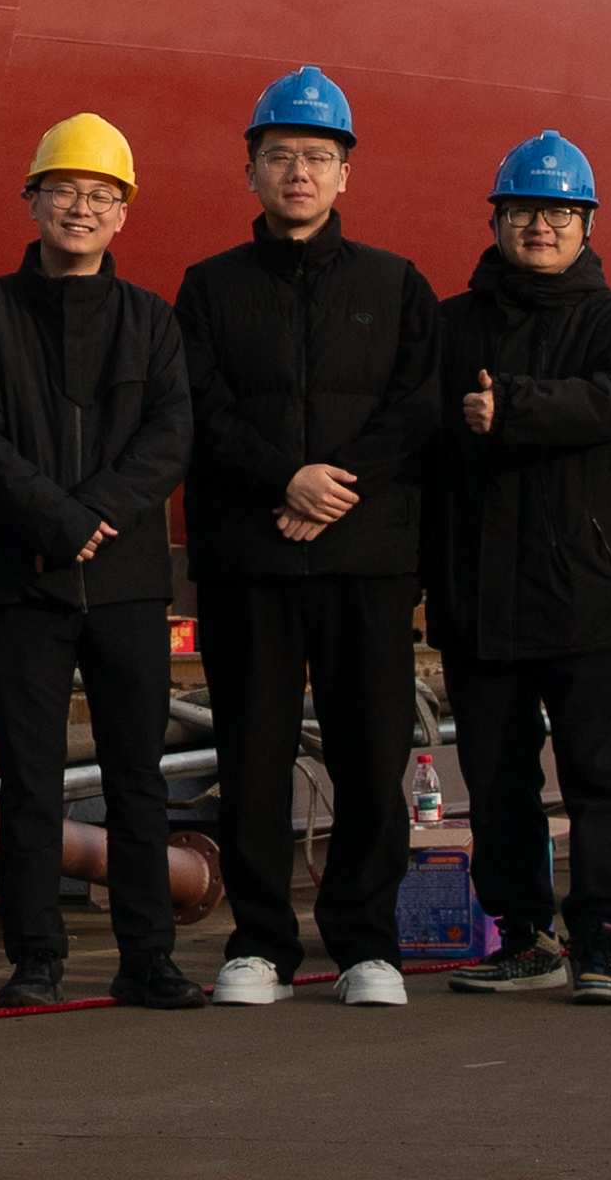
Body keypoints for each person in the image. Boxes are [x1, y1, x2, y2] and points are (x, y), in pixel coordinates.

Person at [174, 66, 440, 1013]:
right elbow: (198, 408)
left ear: (345, 175)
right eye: (280, 156)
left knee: (370, 754)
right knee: (252, 752)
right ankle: (259, 944)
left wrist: (330, 491)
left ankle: (369, 945)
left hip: (365, 562)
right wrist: (282, 479)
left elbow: (415, 410)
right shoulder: (208, 290)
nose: (299, 172)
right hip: (251, 560)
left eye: (318, 157)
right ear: (250, 170)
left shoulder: (396, 286)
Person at [0, 115, 202, 1013]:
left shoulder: (152, 322)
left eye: (101, 196)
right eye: (66, 192)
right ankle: (36, 957)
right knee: (31, 779)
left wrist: (94, 516)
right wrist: (60, 517)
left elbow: (172, 437)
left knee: (135, 776)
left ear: (124, 215)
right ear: (33, 200)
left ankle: (148, 958)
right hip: (28, 584)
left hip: (125, 584)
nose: (82, 209)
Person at [430, 129, 611, 1007]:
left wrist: (514, 406)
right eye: (526, 210)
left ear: (588, 223)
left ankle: (598, 936)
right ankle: (524, 936)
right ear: (496, 220)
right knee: (496, 776)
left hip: (588, 595)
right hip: (478, 595)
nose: (542, 226)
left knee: (601, 776)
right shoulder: (450, 325)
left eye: (560, 212)